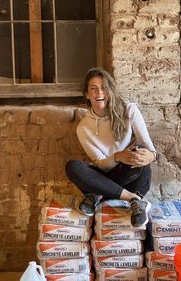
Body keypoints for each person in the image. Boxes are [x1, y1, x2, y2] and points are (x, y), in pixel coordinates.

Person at [65, 68, 157, 227]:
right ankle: (134, 200)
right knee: (73, 166)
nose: (99, 92)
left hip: (126, 176)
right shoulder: (83, 127)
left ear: (110, 90)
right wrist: (117, 157)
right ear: (87, 94)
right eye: (93, 88)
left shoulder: (129, 110)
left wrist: (152, 156)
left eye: (104, 87)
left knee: (140, 155)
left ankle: (96, 195)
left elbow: (149, 148)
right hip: (103, 173)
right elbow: (99, 163)